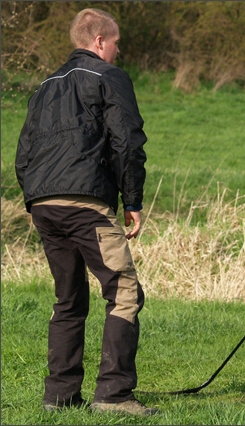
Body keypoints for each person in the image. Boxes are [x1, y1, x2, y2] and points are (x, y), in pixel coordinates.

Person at [15, 8, 158, 416]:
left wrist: (36, 198)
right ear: (99, 42)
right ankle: (114, 396)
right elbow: (127, 141)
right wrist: (132, 201)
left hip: (44, 205)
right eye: (115, 44)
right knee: (125, 293)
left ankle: (58, 397)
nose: (117, 51)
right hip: (86, 207)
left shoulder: (44, 86)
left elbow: (24, 153)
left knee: (69, 299)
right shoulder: (109, 77)